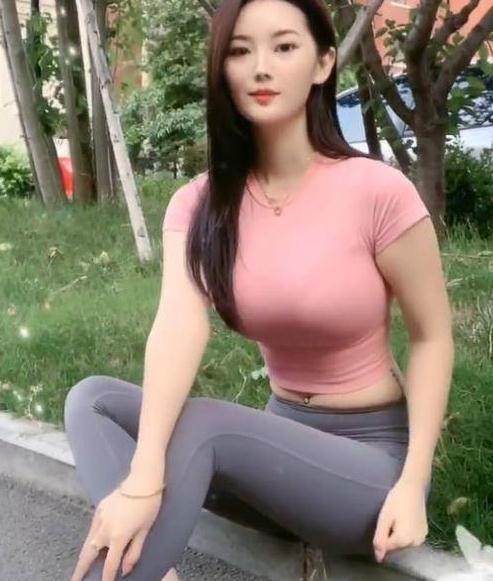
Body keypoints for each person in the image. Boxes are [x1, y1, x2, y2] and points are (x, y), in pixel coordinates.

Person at [63, 0, 455, 579]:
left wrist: (414, 483)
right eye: (240, 51)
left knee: (207, 425)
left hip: (366, 468)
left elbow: (432, 338)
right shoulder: (200, 203)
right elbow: (177, 325)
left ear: (323, 63)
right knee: (92, 399)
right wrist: (143, 479)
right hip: (273, 456)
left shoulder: (377, 192)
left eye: (284, 47)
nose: (261, 68)